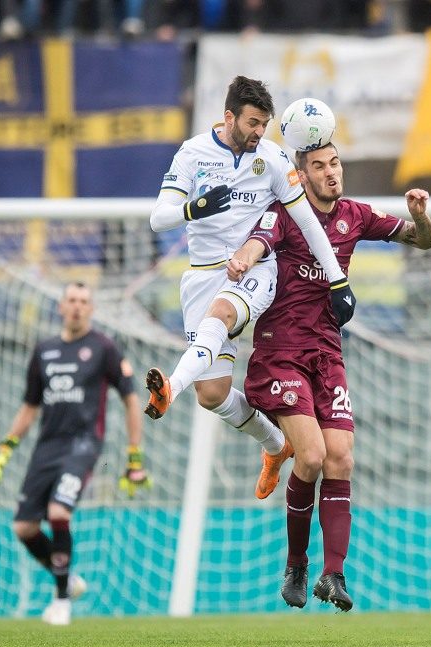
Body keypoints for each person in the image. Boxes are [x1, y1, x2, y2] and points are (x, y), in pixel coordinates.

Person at [227, 143, 431, 611]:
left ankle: (333, 575)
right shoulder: (284, 214)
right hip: (280, 352)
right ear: (302, 174)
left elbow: (424, 241)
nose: (331, 172)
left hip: (326, 355)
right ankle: (297, 563)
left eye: (335, 163)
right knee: (314, 454)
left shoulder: (355, 216)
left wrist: (420, 216)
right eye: (319, 166)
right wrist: (242, 257)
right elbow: (258, 240)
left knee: (341, 458)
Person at [145, 77, 355, 491]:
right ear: (229, 117)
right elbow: (159, 217)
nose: (261, 132)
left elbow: (308, 222)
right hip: (203, 274)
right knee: (213, 394)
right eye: (254, 123)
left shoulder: (274, 159)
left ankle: (170, 386)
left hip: (255, 269)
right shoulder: (193, 153)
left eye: (266, 124)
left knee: (222, 314)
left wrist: (337, 280)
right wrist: (193, 207)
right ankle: (276, 445)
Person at [0, 282, 148, 626]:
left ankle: (61, 601)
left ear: (91, 309)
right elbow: (29, 406)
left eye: (84, 301)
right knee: (24, 527)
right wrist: (7, 446)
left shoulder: (104, 348)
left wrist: (134, 456)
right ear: (60, 307)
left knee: (59, 511)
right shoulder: (44, 350)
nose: (77, 307)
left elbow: (131, 399)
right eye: (71, 301)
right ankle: (68, 580)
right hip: (48, 445)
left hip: (84, 444)